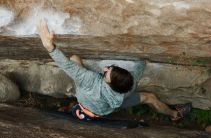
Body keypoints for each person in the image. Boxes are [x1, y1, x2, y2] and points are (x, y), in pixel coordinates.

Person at [37, 20, 192, 121]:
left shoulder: (89, 80)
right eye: (109, 68)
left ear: (109, 83)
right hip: (107, 108)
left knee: (74, 59)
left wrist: (49, 46)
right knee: (150, 97)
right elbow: (137, 72)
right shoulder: (127, 89)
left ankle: (173, 115)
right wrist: (143, 61)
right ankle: (173, 114)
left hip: (86, 100)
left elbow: (67, 65)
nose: (105, 68)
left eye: (106, 73)